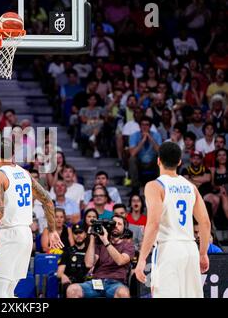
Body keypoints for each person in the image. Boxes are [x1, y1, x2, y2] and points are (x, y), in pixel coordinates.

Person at [0, 138, 62, 298]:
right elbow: (47, 200)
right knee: (9, 292)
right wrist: (52, 229)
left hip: (9, 235)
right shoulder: (24, 173)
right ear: (13, 153)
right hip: (26, 236)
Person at [134, 142, 211, 298]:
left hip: (168, 248)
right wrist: (203, 253)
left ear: (158, 160)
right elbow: (205, 222)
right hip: (190, 248)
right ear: (180, 162)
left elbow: (153, 223)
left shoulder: (154, 186)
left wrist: (142, 259)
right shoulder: (191, 186)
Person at [66, 215, 135, 298]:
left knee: (123, 293)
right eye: (113, 223)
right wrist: (92, 238)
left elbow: (120, 261)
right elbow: (89, 264)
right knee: (72, 289)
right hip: (97, 282)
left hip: (116, 283)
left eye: (119, 224)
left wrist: (105, 240)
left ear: (124, 229)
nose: (116, 226)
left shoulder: (128, 246)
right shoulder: (99, 243)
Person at [129, 116, 162, 193]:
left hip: (152, 162)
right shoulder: (134, 136)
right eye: (142, 125)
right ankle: (135, 187)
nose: (144, 127)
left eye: (147, 125)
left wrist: (150, 138)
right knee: (132, 159)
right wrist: (143, 140)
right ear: (140, 126)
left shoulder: (156, 135)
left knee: (160, 158)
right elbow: (132, 153)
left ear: (150, 126)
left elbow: (160, 152)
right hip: (140, 162)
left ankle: (160, 186)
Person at [57, 223, 89, 297]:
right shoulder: (67, 252)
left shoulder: (90, 251)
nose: (78, 235)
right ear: (72, 235)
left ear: (85, 235)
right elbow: (59, 272)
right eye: (75, 233)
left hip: (87, 283)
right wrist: (63, 276)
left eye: (81, 232)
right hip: (71, 283)